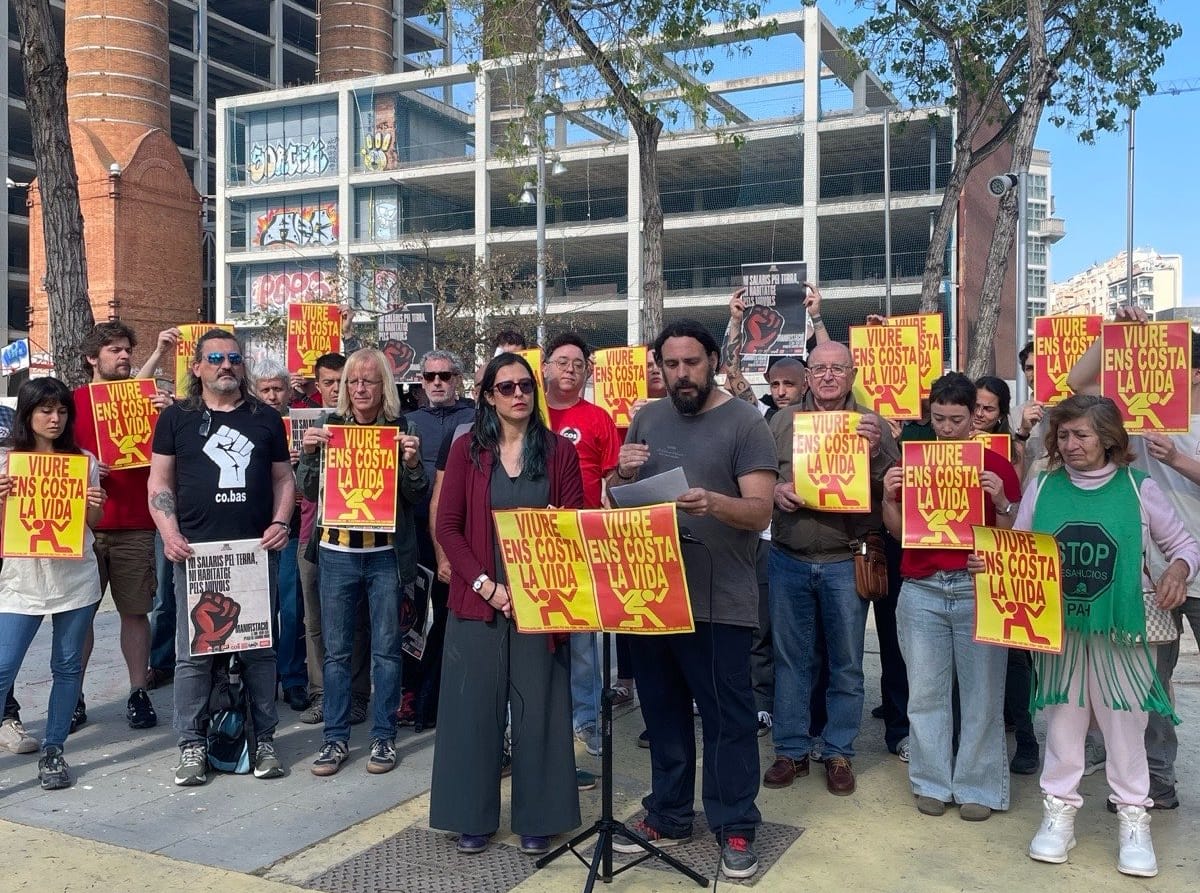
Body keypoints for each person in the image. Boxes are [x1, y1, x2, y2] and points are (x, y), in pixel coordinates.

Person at [990, 395, 1198, 877]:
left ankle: (1134, 819)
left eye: (1081, 434)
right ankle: (1058, 814)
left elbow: (1184, 544)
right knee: (1063, 725)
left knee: (1126, 728)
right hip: (1061, 630)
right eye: (1063, 435)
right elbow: (1019, 546)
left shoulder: (1139, 487)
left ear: (1108, 438)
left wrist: (1178, 571)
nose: (1070, 443)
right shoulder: (1043, 485)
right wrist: (992, 564)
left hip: (1122, 631)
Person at [608, 319, 775, 880]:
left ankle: (735, 824)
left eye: (692, 363)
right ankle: (669, 812)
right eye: (671, 364)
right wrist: (619, 475)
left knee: (728, 718)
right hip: (653, 594)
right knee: (662, 712)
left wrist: (714, 504)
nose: (681, 374)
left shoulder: (746, 422)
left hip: (718, 599)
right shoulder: (648, 417)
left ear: (714, 362)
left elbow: (761, 510)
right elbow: (621, 500)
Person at [430, 352, 583, 856]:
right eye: (506, 387)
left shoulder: (560, 452)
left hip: (541, 601)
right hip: (480, 599)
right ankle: (470, 816)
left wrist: (561, 524)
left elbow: (577, 520)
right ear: (488, 397)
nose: (518, 394)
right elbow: (448, 527)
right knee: (472, 709)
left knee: (540, 709)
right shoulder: (466, 451)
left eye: (525, 386)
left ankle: (540, 816)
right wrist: (488, 587)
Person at [148, 328, 295, 786]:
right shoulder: (176, 418)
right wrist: (169, 533)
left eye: (233, 358)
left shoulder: (265, 418)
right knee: (194, 654)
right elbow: (159, 482)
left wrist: (280, 522)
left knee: (258, 651)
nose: (226, 365)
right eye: (215, 358)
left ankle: (264, 740)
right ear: (197, 368)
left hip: (254, 552)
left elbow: (284, 479)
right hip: (196, 553)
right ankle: (191, 745)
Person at [1068, 308, 1200, 809]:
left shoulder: (1178, 432)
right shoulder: (1134, 415)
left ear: (1194, 372)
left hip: (1191, 567)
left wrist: (1177, 458)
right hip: (1146, 575)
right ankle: (1155, 780)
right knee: (1149, 683)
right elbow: (1077, 383)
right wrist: (1114, 334)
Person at [881, 372, 1022, 822]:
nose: (946, 428)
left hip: (976, 587)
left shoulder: (995, 464)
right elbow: (897, 532)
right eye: (939, 418)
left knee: (983, 694)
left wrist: (1001, 502)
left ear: (974, 416)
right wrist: (888, 496)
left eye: (956, 419)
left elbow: (1014, 536)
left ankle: (978, 786)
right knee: (925, 692)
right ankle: (931, 782)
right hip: (922, 586)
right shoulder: (911, 461)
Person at [763, 340, 898, 796]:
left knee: (847, 664)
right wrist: (776, 490)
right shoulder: (782, 422)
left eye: (837, 369)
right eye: (819, 368)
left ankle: (839, 751)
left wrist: (876, 452)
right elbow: (759, 476)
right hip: (790, 556)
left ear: (853, 374)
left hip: (846, 558)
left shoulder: (872, 424)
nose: (827, 376)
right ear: (807, 375)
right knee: (791, 661)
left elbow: (897, 488)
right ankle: (791, 750)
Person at [298, 348, 427, 777]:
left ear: (383, 385)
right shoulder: (328, 426)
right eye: (352, 381)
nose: (359, 389)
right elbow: (308, 491)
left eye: (368, 381)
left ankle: (383, 737)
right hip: (337, 554)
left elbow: (416, 496)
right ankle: (334, 738)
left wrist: (412, 464)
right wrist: (309, 454)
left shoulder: (401, 428)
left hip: (386, 556)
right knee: (337, 652)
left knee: (387, 651)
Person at [0, 378, 107, 789]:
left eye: (62, 411)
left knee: (67, 666)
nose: (55, 418)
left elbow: (90, 525)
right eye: (45, 410)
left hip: (74, 577)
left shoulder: (84, 461)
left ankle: (53, 750)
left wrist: (95, 506)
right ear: (27, 414)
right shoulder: (8, 462)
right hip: (21, 579)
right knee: (4, 666)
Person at [71, 321, 177, 732]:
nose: (124, 356)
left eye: (127, 350)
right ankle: (73, 694)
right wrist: (85, 466)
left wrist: (167, 413)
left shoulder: (145, 400)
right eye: (114, 350)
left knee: (136, 612)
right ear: (91, 358)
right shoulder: (73, 402)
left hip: (135, 523)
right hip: (84, 527)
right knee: (80, 616)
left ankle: (137, 692)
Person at [542, 332, 620, 761]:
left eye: (578, 363)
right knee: (536, 635)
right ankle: (534, 719)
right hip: (536, 540)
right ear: (545, 368)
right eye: (562, 361)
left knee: (584, 641)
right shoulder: (529, 413)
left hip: (584, 538)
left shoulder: (598, 418)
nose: (570, 369)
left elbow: (612, 477)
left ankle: (587, 718)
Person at [293, 353, 372, 726]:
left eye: (344, 382)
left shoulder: (369, 424)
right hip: (312, 535)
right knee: (315, 620)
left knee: (355, 621)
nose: (338, 389)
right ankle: (322, 694)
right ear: (317, 385)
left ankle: (356, 695)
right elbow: (303, 487)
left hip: (356, 536)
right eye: (329, 382)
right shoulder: (311, 424)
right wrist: (305, 454)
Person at [400, 349, 474, 731]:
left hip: (458, 533)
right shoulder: (407, 422)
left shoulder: (474, 416)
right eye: (430, 377)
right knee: (412, 618)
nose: (438, 383)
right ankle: (413, 693)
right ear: (421, 381)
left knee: (449, 615)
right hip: (414, 533)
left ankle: (442, 692)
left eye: (445, 375)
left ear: (457, 378)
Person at [972, 374, 1037, 776]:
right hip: (959, 556)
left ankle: (1026, 738)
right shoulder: (941, 444)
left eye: (988, 408)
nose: (979, 415)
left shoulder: (1011, 449)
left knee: (1013, 655)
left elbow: (1019, 504)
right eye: (975, 406)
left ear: (1000, 415)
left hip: (1001, 556)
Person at [252, 360, 308, 710]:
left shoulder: (305, 424)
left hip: (294, 529)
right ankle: (263, 679)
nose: (272, 396)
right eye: (266, 389)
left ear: (289, 391)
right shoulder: (246, 422)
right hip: (255, 529)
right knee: (259, 609)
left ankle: (293, 677)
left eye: (278, 389)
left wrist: (306, 457)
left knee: (291, 608)